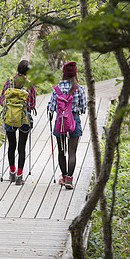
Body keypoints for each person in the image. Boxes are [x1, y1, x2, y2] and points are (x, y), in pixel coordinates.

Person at [48, 61, 87, 190]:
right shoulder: (79, 88)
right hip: (73, 121)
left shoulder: (57, 88)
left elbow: (52, 107)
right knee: (72, 152)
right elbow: (83, 108)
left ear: (64, 73)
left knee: (61, 150)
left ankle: (63, 177)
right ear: (75, 73)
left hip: (60, 122)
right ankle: (70, 180)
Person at [0, 60, 37, 185]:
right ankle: (20, 177)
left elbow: (1, 100)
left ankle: (12, 173)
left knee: (11, 146)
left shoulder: (9, 82)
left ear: (18, 69)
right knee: (21, 147)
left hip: (10, 118)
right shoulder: (29, 85)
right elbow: (32, 105)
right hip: (24, 119)